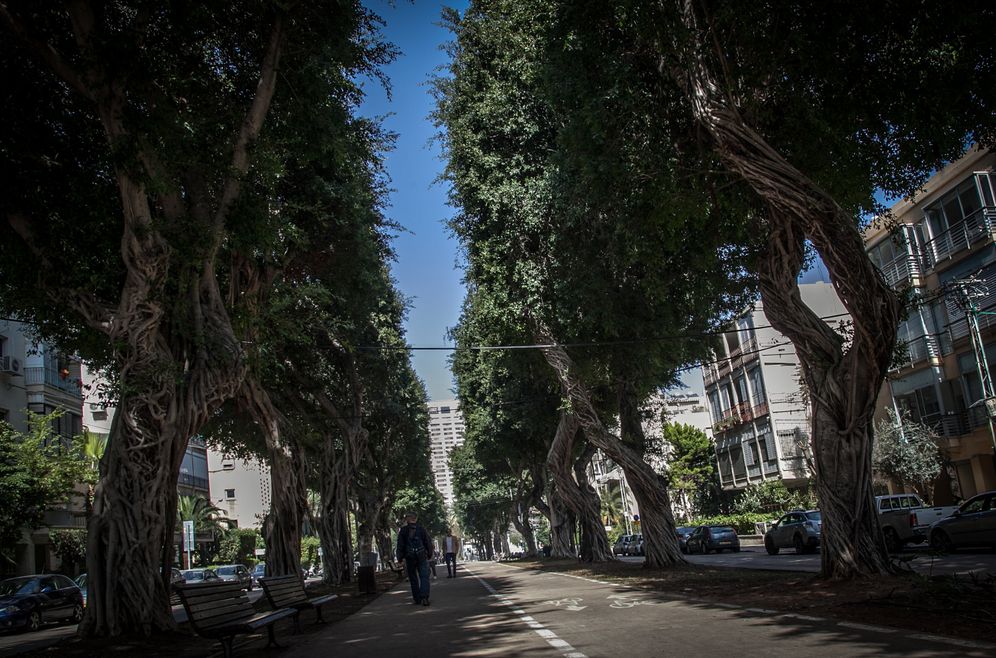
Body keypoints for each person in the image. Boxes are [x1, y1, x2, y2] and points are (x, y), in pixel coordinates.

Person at [396, 511, 433, 606]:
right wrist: (429, 553)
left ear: (408, 519)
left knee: (413, 578)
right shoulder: (421, 529)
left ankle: (417, 599)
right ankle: (424, 597)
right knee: (424, 576)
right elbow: (427, 542)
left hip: (410, 557)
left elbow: (400, 545)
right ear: (415, 519)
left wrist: (399, 558)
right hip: (421, 556)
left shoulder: (403, 531)